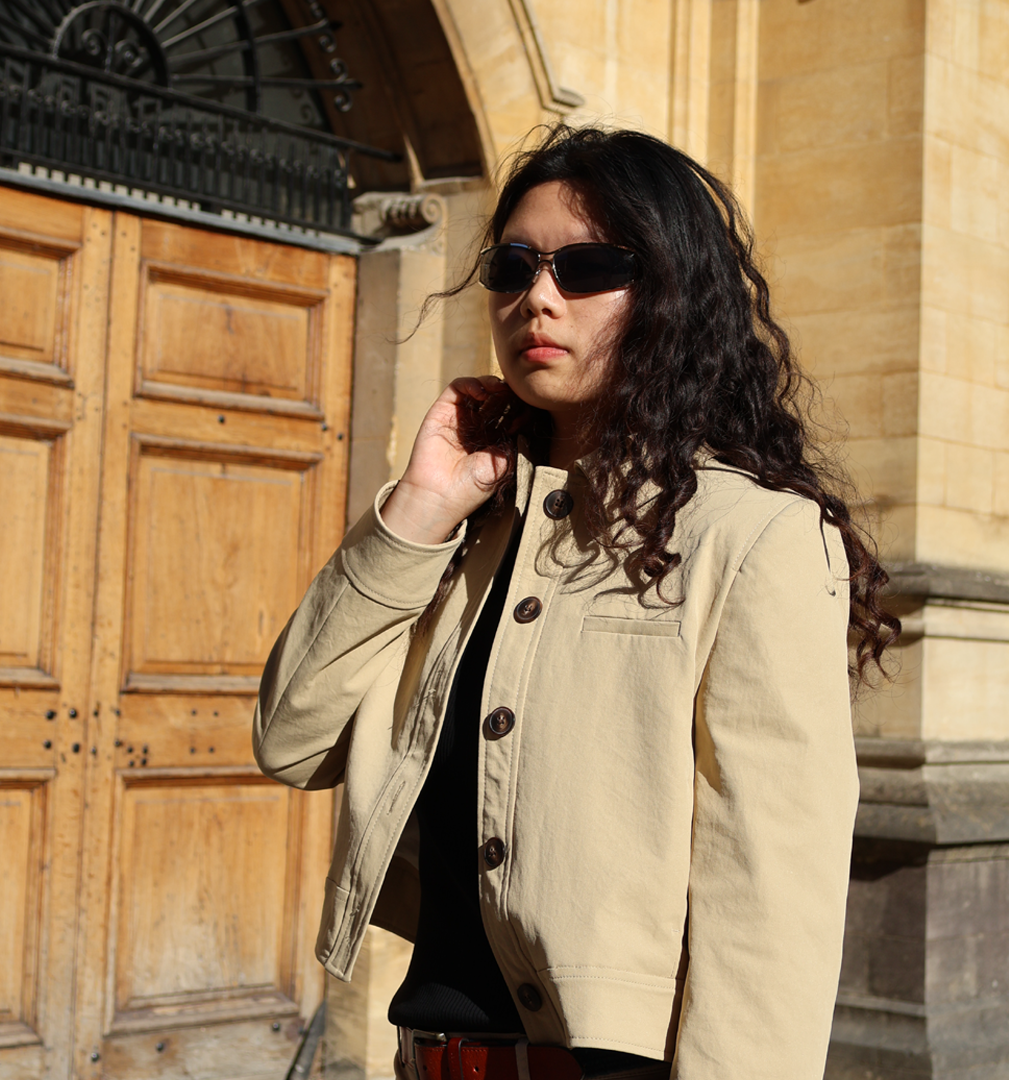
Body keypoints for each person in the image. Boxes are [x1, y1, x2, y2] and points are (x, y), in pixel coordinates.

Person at [253, 125, 899, 1080]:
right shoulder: (465, 526)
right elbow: (291, 740)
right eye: (512, 266)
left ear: (670, 294)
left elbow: (768, 890)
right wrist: (419, 511)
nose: (537, 298)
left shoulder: (751, 536)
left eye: (586, 266)